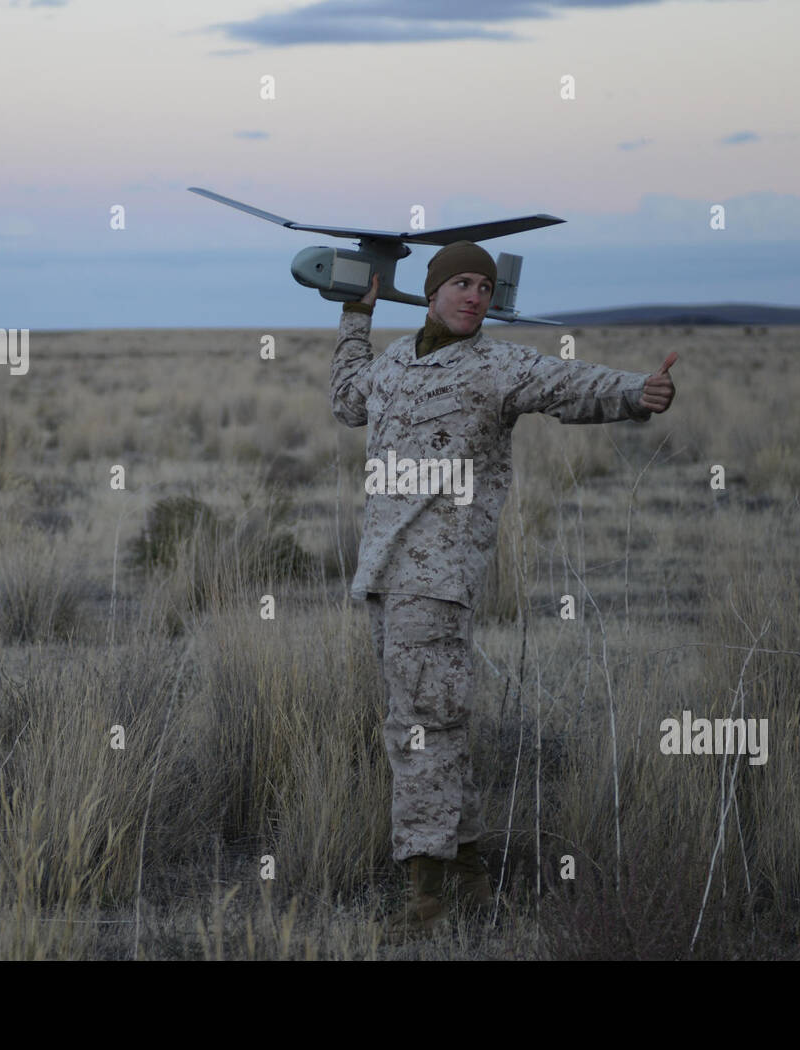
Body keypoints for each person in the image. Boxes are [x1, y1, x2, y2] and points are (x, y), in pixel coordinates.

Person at [330, 240, 676, 941]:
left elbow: (566, 385)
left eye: (485, 288)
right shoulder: (396, 361)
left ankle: (428, 896)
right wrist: (353, 321)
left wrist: (636, 393)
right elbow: (346, 401)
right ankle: (464, 875)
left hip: (438, 579)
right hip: (383, 575)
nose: (475, 297)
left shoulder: (496, 366)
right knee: (430, 720)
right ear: (430, 292)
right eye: (460, 283)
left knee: (421, 726)